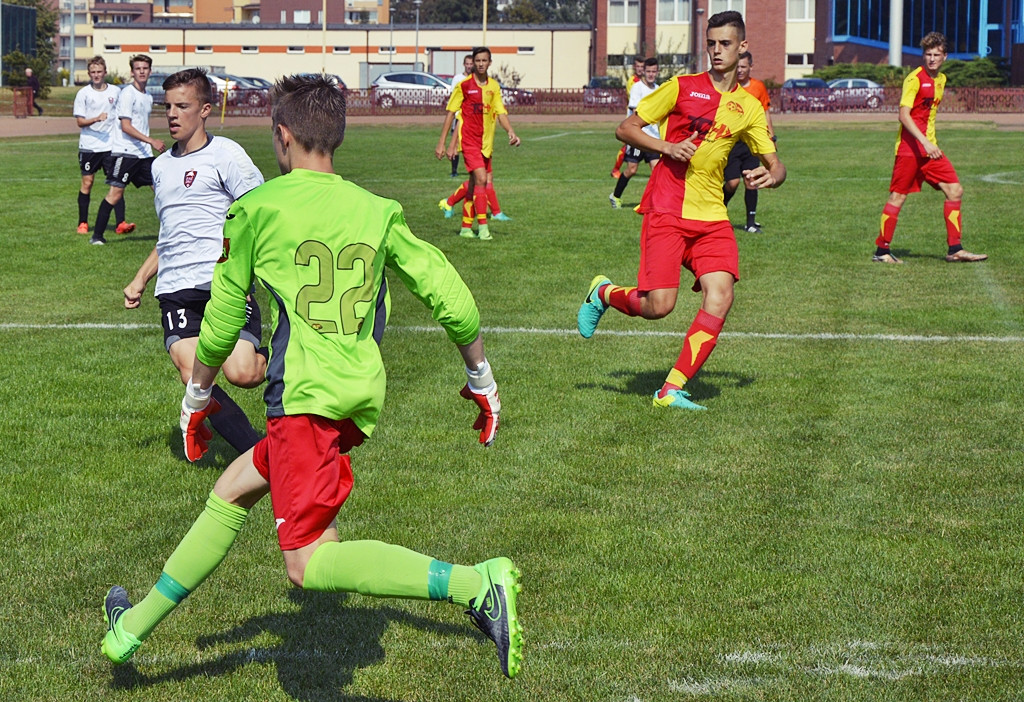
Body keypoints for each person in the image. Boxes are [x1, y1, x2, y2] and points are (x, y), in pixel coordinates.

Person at [101, 74, 522, 680]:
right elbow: (448, 294)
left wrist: (197, 396)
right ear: (337, 135)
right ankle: (131, 629)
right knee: (233, 490)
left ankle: (477, 584)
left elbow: (221, 322)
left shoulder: (257, 209)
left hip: (302, 397)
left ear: (282, 135)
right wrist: (480, 378)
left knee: (307, 565)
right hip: (355, 395)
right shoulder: (377, 210)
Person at [577, 10, 786, 411]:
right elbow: (627, 128)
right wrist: (668, 147)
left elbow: (776, 162)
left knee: (720, 296)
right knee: (659, 306)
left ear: (742, 47)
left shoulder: (749, 106)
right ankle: (603, 293)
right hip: (668, 209)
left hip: (712, 217)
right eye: (711, 43)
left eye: (725, 44)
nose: (716, 51)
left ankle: (670, 389)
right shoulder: (682, 87)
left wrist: (772, 175)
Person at [123, 69, 267, 456]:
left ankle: (288, 360)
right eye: (167, 106)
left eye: (182, 106)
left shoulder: (227, 155)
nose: (172, 114)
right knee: (193, 376)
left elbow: (262, 211)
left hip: (223, 283)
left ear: (204, 109)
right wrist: (140, 278)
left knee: (244, 373)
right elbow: (171, 235)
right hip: (174, 289)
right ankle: (259, 456)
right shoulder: (159, 168)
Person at [872, 32, 986, 264]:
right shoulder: (914, 79)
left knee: (955, 190)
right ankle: (882, 251)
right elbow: (903, 115)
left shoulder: (941, 80)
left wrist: (929, 142)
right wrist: (924, 141)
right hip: (910, 149)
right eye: (928, 54)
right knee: (898, 197)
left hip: (930, 151)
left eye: (936, 55)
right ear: (923, 55)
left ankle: (955, 248)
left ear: (945, 56)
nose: (932, 59)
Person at [435, 47, 520, 241]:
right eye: (478, 61)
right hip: (470, 142)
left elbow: (501, 113)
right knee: (482, 179)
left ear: (490, 62)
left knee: (475, 184)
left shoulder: (494, 87)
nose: (481, 64)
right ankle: (483, 227)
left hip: (486, 143)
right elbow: (451, 113)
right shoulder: (464, 86)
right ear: (473, 63)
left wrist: (510, 131)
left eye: (484, 60)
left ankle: (465, 227)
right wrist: (443, 143)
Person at [90, 54, 165, 246]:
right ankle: (97, 237)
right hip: (126, 152)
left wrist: (149, 145)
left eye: (145, 68)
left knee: (162, 191)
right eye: (138, 68)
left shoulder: (147, 96)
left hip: (144, 155)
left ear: (150, 71)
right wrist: (152, 141)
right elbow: (126, 126)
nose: (141, 71)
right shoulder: (128, 94)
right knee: (115, 194)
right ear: (132, 72)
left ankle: (172, 233)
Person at [723, 51, 775, 233]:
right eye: (737, 66)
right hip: (731, 143)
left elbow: (765, 113)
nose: (740, 70)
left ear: (750, 67)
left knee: (751, 181)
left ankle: (750, 223)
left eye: (743, 67)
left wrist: (771, 137)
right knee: (732, 183)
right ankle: (719, 212)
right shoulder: (728, 86)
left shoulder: (758, 87)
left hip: (751, 143)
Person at [73, 56, 120, 235]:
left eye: (99, 72)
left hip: (110, 145)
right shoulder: (84, 94)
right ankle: (83, 223)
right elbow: (79, 122)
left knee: (116, 183)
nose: (96, 75)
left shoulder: (116, 92)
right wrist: (96, 119)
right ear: (89, 74)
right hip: (89, 146)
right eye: (93, 72)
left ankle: (120, 223)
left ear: (105, 72)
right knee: (88, 182)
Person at [609, 57, 660, 209]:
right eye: (648, 71)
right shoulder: (637, 88)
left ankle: (652, 203)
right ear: (644, 72)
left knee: (657, 171)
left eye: (654, 71)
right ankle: (616, 196)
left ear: (657, 72)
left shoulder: (658, 89)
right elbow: (634, 111)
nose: (651, 74)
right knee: (631, 169)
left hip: (653, 138)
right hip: (637, 137)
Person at [610, 57, 645, 178]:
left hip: (642, 118)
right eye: (638, 67)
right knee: (627, 146)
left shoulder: (645, 81)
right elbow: (635, 101)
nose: (640, 69)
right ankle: (615, 170)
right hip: (633, 118)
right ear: (635, 68)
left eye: (642, 67)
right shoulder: (633, 82)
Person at [449, 54, 474, 178]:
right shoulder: (458, 78)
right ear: (464, 64)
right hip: (459, 116)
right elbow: (454, 96)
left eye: (471, 64)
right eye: (467, 64)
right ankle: (454, 170)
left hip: (472, 117)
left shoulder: (476, 79)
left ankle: (474, 169)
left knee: (471, 144)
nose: (469, 66)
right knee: (455, 143)